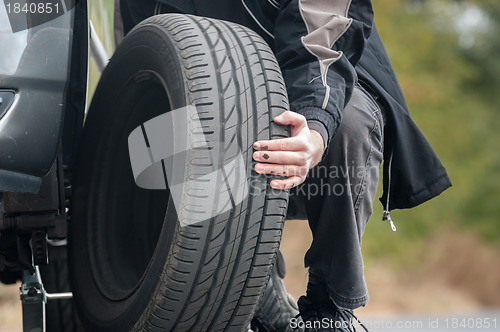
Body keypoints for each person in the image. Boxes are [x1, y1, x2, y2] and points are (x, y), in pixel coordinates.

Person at [116, 1, 452, 331]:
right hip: (221, 107)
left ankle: (329, 308)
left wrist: (317, 125)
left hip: (318, 77)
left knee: (346, 122)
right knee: (163, 134)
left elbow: (322, 32)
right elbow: (147, 61)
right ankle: (245, 283)